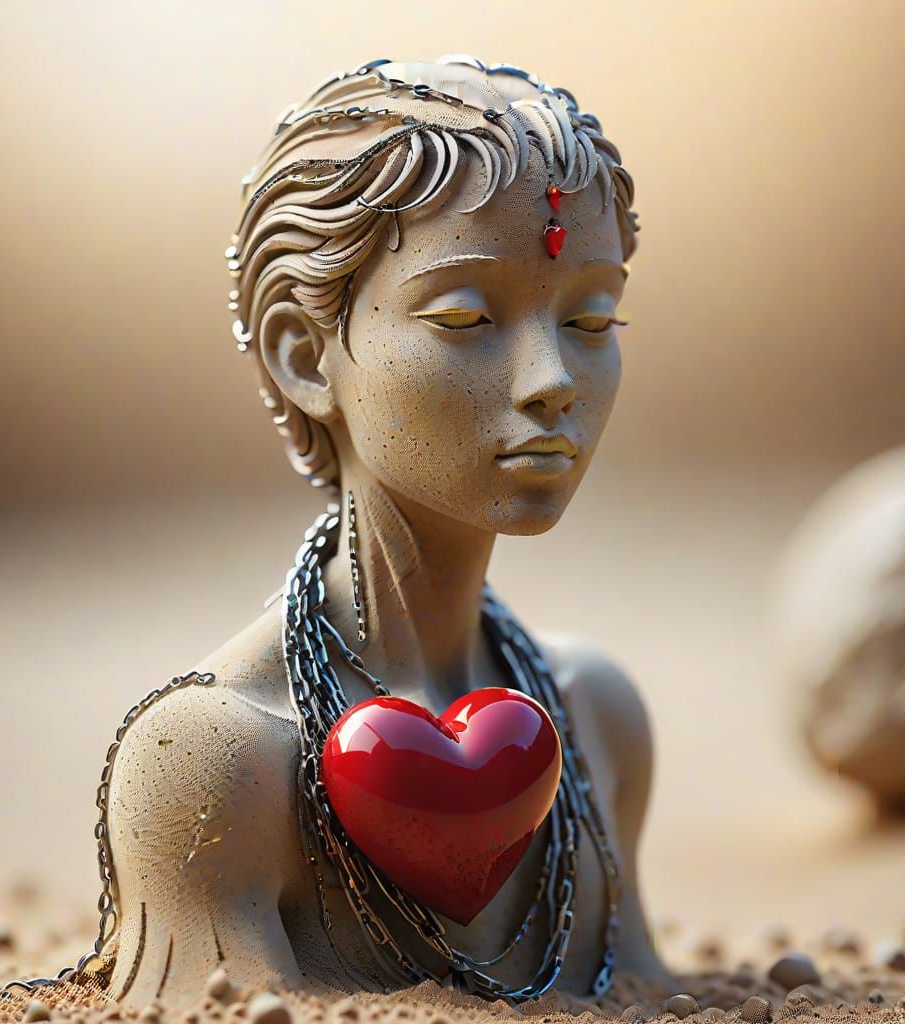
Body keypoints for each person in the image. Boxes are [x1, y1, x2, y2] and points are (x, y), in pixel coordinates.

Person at [98, 56, 670, 1011]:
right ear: (303, 354)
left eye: (591, 318)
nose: (551, 380)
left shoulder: (597, 724)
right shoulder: (220, 767)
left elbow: (647, 992)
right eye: (466, 315)